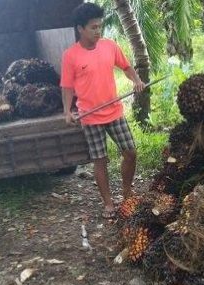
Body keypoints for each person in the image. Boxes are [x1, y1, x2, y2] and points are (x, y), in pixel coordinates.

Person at [60, 2, 146, 219]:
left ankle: (127, 191)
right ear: (80, 28)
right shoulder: (71, 56)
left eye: (100, 26)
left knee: (131, 152)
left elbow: (126, 67)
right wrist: (67, 111)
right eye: (93, 27)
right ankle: (108, 202)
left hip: (114, 111)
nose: (98, 31)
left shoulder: (110, 46)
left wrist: (136, 80)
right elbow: (67, 86)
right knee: (100, 160)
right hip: (90, 116)